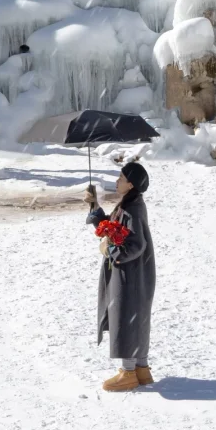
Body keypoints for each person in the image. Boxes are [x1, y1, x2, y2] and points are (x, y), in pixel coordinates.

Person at [85, 160, 155, 392]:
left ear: (131, 184)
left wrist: (111, 251)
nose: (117, 181)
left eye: (121, 178)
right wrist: (96, 211)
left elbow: (135, 245)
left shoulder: (132, 208)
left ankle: (128, 373)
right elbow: (116, 230)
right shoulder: (130, 204)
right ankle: (141, 369)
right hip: (137, 273)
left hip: (130, 274)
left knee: (126, 316)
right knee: (137, 316)